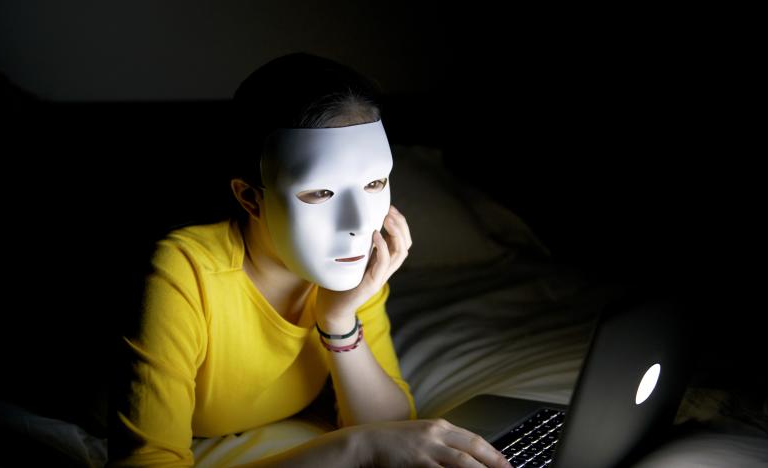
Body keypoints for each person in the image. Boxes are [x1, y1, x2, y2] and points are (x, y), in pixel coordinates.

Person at [108, 52, 511, 467]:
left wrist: (339, 322)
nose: (357, 223)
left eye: (375, 183)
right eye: (319, 193)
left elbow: (390, 426)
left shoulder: (354, 265)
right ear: (250, 197)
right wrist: (354, 448)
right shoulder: (185, 272)